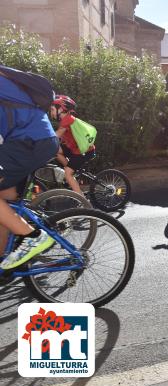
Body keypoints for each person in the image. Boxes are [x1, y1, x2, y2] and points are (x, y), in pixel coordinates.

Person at [0, 69, 59, 270]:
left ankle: (32, 236)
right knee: (4, 202)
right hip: (30, 141)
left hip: (29, 142)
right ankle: (4, 262)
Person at [50, 95, 96, 195]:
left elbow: (56, 135)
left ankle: (82, 200)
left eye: (52, 110)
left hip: (83, 152)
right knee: (56, 150)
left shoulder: (68, 119)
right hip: (75, 148)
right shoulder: (65, 120)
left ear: (61, 109)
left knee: (67, 174)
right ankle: (72, 170)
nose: (51, 113)